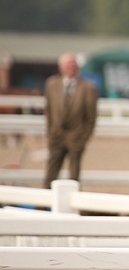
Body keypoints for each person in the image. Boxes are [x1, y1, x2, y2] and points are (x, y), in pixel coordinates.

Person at [43, 52, 98, 187]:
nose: (71, 68)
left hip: (76, 137)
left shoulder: (88, 87)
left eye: (73, 65)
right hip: (56, 136)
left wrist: (83, 137)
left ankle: (72, 205)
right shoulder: (51, 84)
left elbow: (91, 117)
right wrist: (51, 132)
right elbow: (49, 111)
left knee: (74, 176)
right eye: (68, 64)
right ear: (61, 67)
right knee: (50, 173)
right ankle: (43, 204)